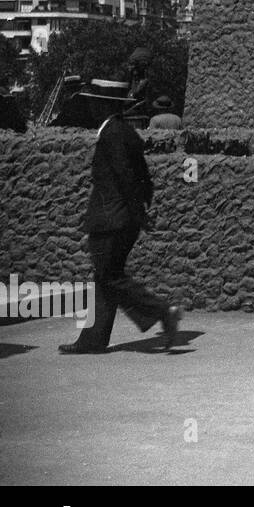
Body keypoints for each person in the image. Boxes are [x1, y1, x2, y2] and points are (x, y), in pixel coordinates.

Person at [60, 80, 182, 354]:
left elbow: (126, 176)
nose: (89, 107)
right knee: (106, 277)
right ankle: (92, 340)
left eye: (93, 102)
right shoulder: (126, 132)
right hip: (121, 218)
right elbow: (143, 179)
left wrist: (136, 213)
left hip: (111, 219)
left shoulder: (111, 134)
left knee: (110, 276)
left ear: (102, 105)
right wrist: (140, 211)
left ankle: (163, 311)